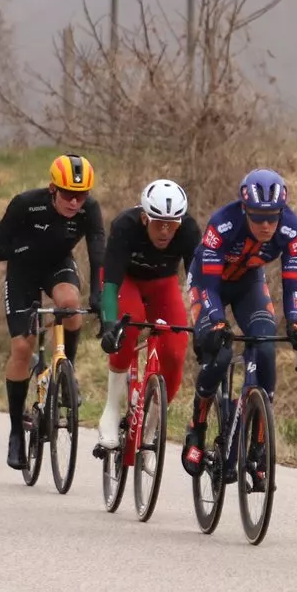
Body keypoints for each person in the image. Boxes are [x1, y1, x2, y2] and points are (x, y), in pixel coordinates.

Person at [181, 168, 297, 476]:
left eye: (272, 217)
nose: (266, 225)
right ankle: (197, 425)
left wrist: (295, 323)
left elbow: (292, 284)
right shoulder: (223, 223)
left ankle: (259, 442)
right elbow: (209, 287)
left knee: (265, 346)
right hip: (208, 283)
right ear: (244, 210)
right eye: (258, 217)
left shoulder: (292, 229)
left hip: (248, 284)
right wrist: (216, 322)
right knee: (221, 352)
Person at [0, 154, 105, 470]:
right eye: (68, 194)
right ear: (53, 189)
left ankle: (67, 374)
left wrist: (100, 297)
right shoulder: (26, 204)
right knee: (22, 347)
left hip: (57, 266)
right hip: (22, 271)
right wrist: (26, 249)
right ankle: (15, 431)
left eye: (81, 195)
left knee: (70, 303)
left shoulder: (89, 210)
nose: (75, 202)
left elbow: (98, 254)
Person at [96, 177, 200, 453]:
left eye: (172, 224)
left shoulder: (189, 230)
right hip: (126, 281)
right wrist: (109, 324)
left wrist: (204, 322)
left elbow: (198, 284)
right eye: (158, 223)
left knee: (175, 351)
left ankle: (151, 428)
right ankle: (111, 409)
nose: (165, 231)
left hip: (162, 285)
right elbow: (110, 284)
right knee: (128, 326)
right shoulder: (125, 225)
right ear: (145, 218)